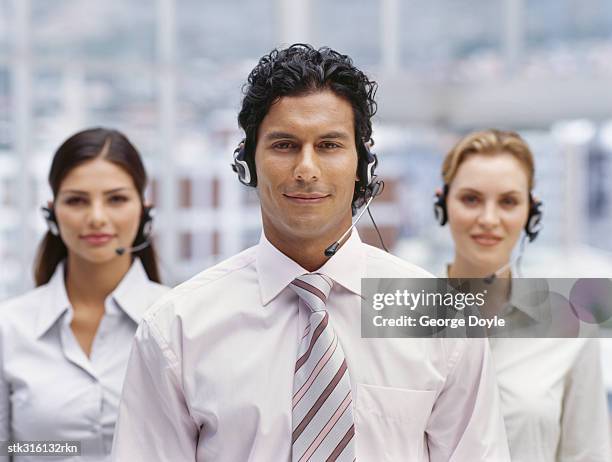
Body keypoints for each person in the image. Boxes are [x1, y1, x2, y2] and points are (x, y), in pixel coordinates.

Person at [112, 44, 510, 461]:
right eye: (284, 145)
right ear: (247, 162)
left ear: (364, 167)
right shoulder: (178, 328)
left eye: (329, 145)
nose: (306, 169)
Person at [434, 128, 611, 461]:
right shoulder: (399, 317)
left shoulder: (570, 326)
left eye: (508, 202)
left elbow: (588, 454)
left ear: (532, 212)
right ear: (443, 202)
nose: (489, 219)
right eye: (471, 198)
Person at [0, 128, 169, 461]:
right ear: (52, 211)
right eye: (76, 200)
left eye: (116, 199)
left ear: (144, 208)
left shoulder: (182, 319)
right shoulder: (9, 328)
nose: (96, 217)